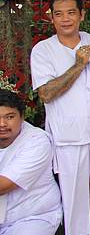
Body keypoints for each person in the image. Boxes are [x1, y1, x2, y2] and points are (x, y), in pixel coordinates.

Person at [30, 0, 90, 235]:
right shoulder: (42, 50)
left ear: (81, 15)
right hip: (68, 139)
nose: (65, 19)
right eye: (59, 14)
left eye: (71, 12)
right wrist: (79, 65)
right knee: (74, 201)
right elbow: (46, 93)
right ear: (51, 18)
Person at [0, 89, 62, 235]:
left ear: (22, 117)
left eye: (9, 117)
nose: (2, 124)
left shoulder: (37, 142)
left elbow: (3, 186)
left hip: (32, 218)